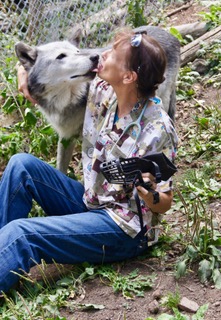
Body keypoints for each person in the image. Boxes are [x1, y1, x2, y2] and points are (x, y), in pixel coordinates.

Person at [0, 29, 178, 293]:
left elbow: (164, 203)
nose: (99, 54)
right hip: (91, 202)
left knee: (22, 234)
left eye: (111, 55)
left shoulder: (158, 129)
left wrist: (149, 192)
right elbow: (50, 68)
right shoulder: (102, 93)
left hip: (123, 229)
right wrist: (24, 70)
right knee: (20, 165)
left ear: (129, 76)